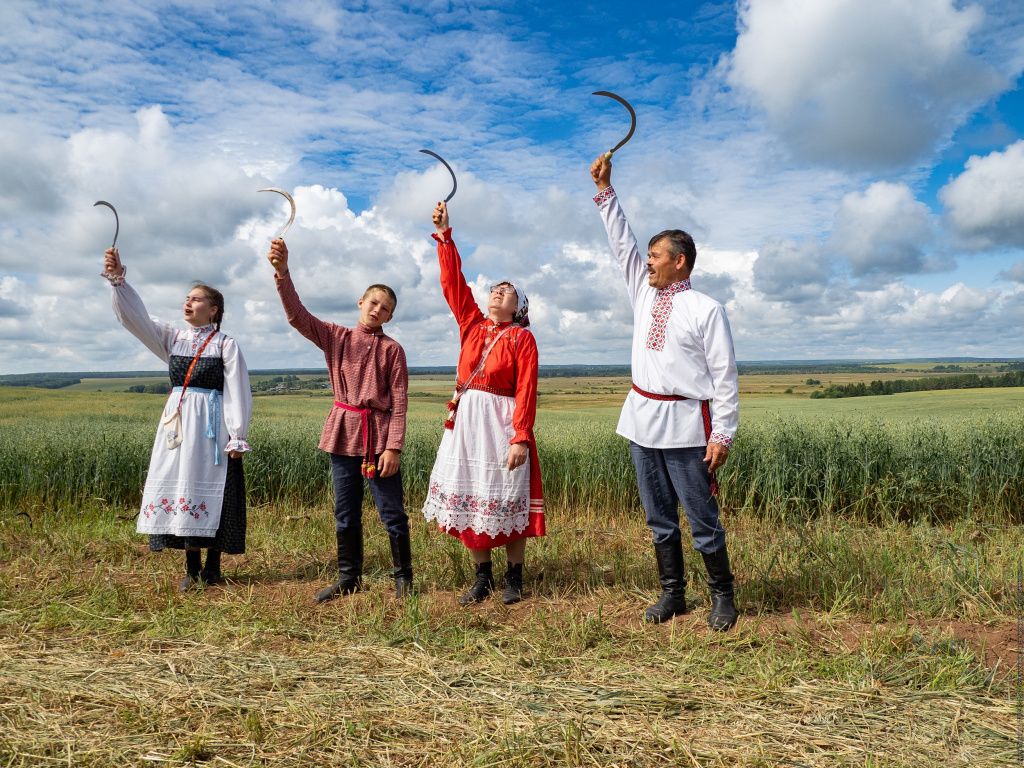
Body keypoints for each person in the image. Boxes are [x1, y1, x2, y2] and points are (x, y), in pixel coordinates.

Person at [589, 154, 740, 631]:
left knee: (701, 516)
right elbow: (621, 246)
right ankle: (672, 594)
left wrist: (724, 435)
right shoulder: (643, 292)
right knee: (659, 518)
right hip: (640, 421)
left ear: (680, 262)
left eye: (656, 256)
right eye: (648, 256)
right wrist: (606, 191)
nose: (647, 262)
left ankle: (722, 597)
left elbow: (725, 378)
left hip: (687, 426)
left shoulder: (707, 309)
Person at [267, 239, 412, 601]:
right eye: (373, 302)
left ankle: (403, 580)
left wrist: (393, 447)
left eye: (386, 308)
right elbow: (297, 316)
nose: (377, 310)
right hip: (343, 431)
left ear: (390, 317)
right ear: (361, 303)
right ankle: (349, 578)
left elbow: (400, 402)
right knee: (345, 512)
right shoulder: (336, 337)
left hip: (378, 438)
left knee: (391, 513)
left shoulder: (393, 350)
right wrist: (283, 273)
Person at [102, 247, 252, 592]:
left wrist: (237, 434)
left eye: (196, 299)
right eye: (187, 298)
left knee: (214, 490)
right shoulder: (173, 339)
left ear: (213, 310)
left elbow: (237, 390)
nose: (188, 303)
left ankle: (212, 568)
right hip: (178, 426)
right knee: (181, 483)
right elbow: (135, 319)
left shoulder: (225, 345)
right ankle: (191, 567)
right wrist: (118, 281)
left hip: (213, 427)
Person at [422, 201, 544, 606]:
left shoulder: (522, 339)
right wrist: (445, 236)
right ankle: (481, 578)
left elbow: (527, 388)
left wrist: (520, 437)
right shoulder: (472, 324)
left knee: (506, 494)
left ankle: (514, 577)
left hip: (501, 423)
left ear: (519, 308)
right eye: (496, 287)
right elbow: (453, 283)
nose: (498, 291)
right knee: (471, 492)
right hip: (467, 421)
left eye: (508, 291)